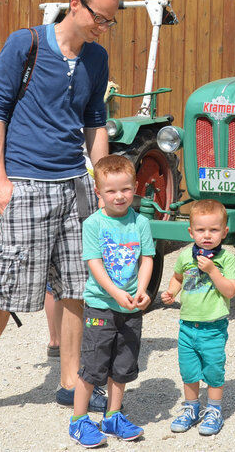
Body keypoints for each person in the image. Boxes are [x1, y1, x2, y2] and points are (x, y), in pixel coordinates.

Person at [0, 0, 120, 428]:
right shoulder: (24, 44)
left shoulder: (96, 57)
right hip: (26, 182)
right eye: (99, 18)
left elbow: (95, 121)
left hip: (76, 187)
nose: (103, 28)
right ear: (74, 5)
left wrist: (103, 187)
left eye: (110, 22)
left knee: (73, 289)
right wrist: (0, 179)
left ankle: (70, 380)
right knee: (7, 289)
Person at [68, 154, 154, 446]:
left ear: (136, 186)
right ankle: (79, 421)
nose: (119, 196)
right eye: (111, 191)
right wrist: (116, 293)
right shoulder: (94, 224)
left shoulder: (140, 222)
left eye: (126, 189)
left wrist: (142, 289)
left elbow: (147, 258)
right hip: (101, 306)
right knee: (93, 365)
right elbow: (94, 263)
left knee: (122, 365)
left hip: (131, 307)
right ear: (98, 192)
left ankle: (112, 415)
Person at [160, 199, 235, 436]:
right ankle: (191, 408)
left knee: (214, 370)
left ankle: (214, 410)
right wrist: (171, 292)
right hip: (187, 326)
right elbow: (177, 277)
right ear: (191, 231)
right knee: (189, 371)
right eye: (201, 230)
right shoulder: (186, 256)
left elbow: (230, 291)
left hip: (213, 327)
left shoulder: (226, 260)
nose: (207, 236)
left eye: (214, 230)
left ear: (224, 232)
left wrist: (213, 270)